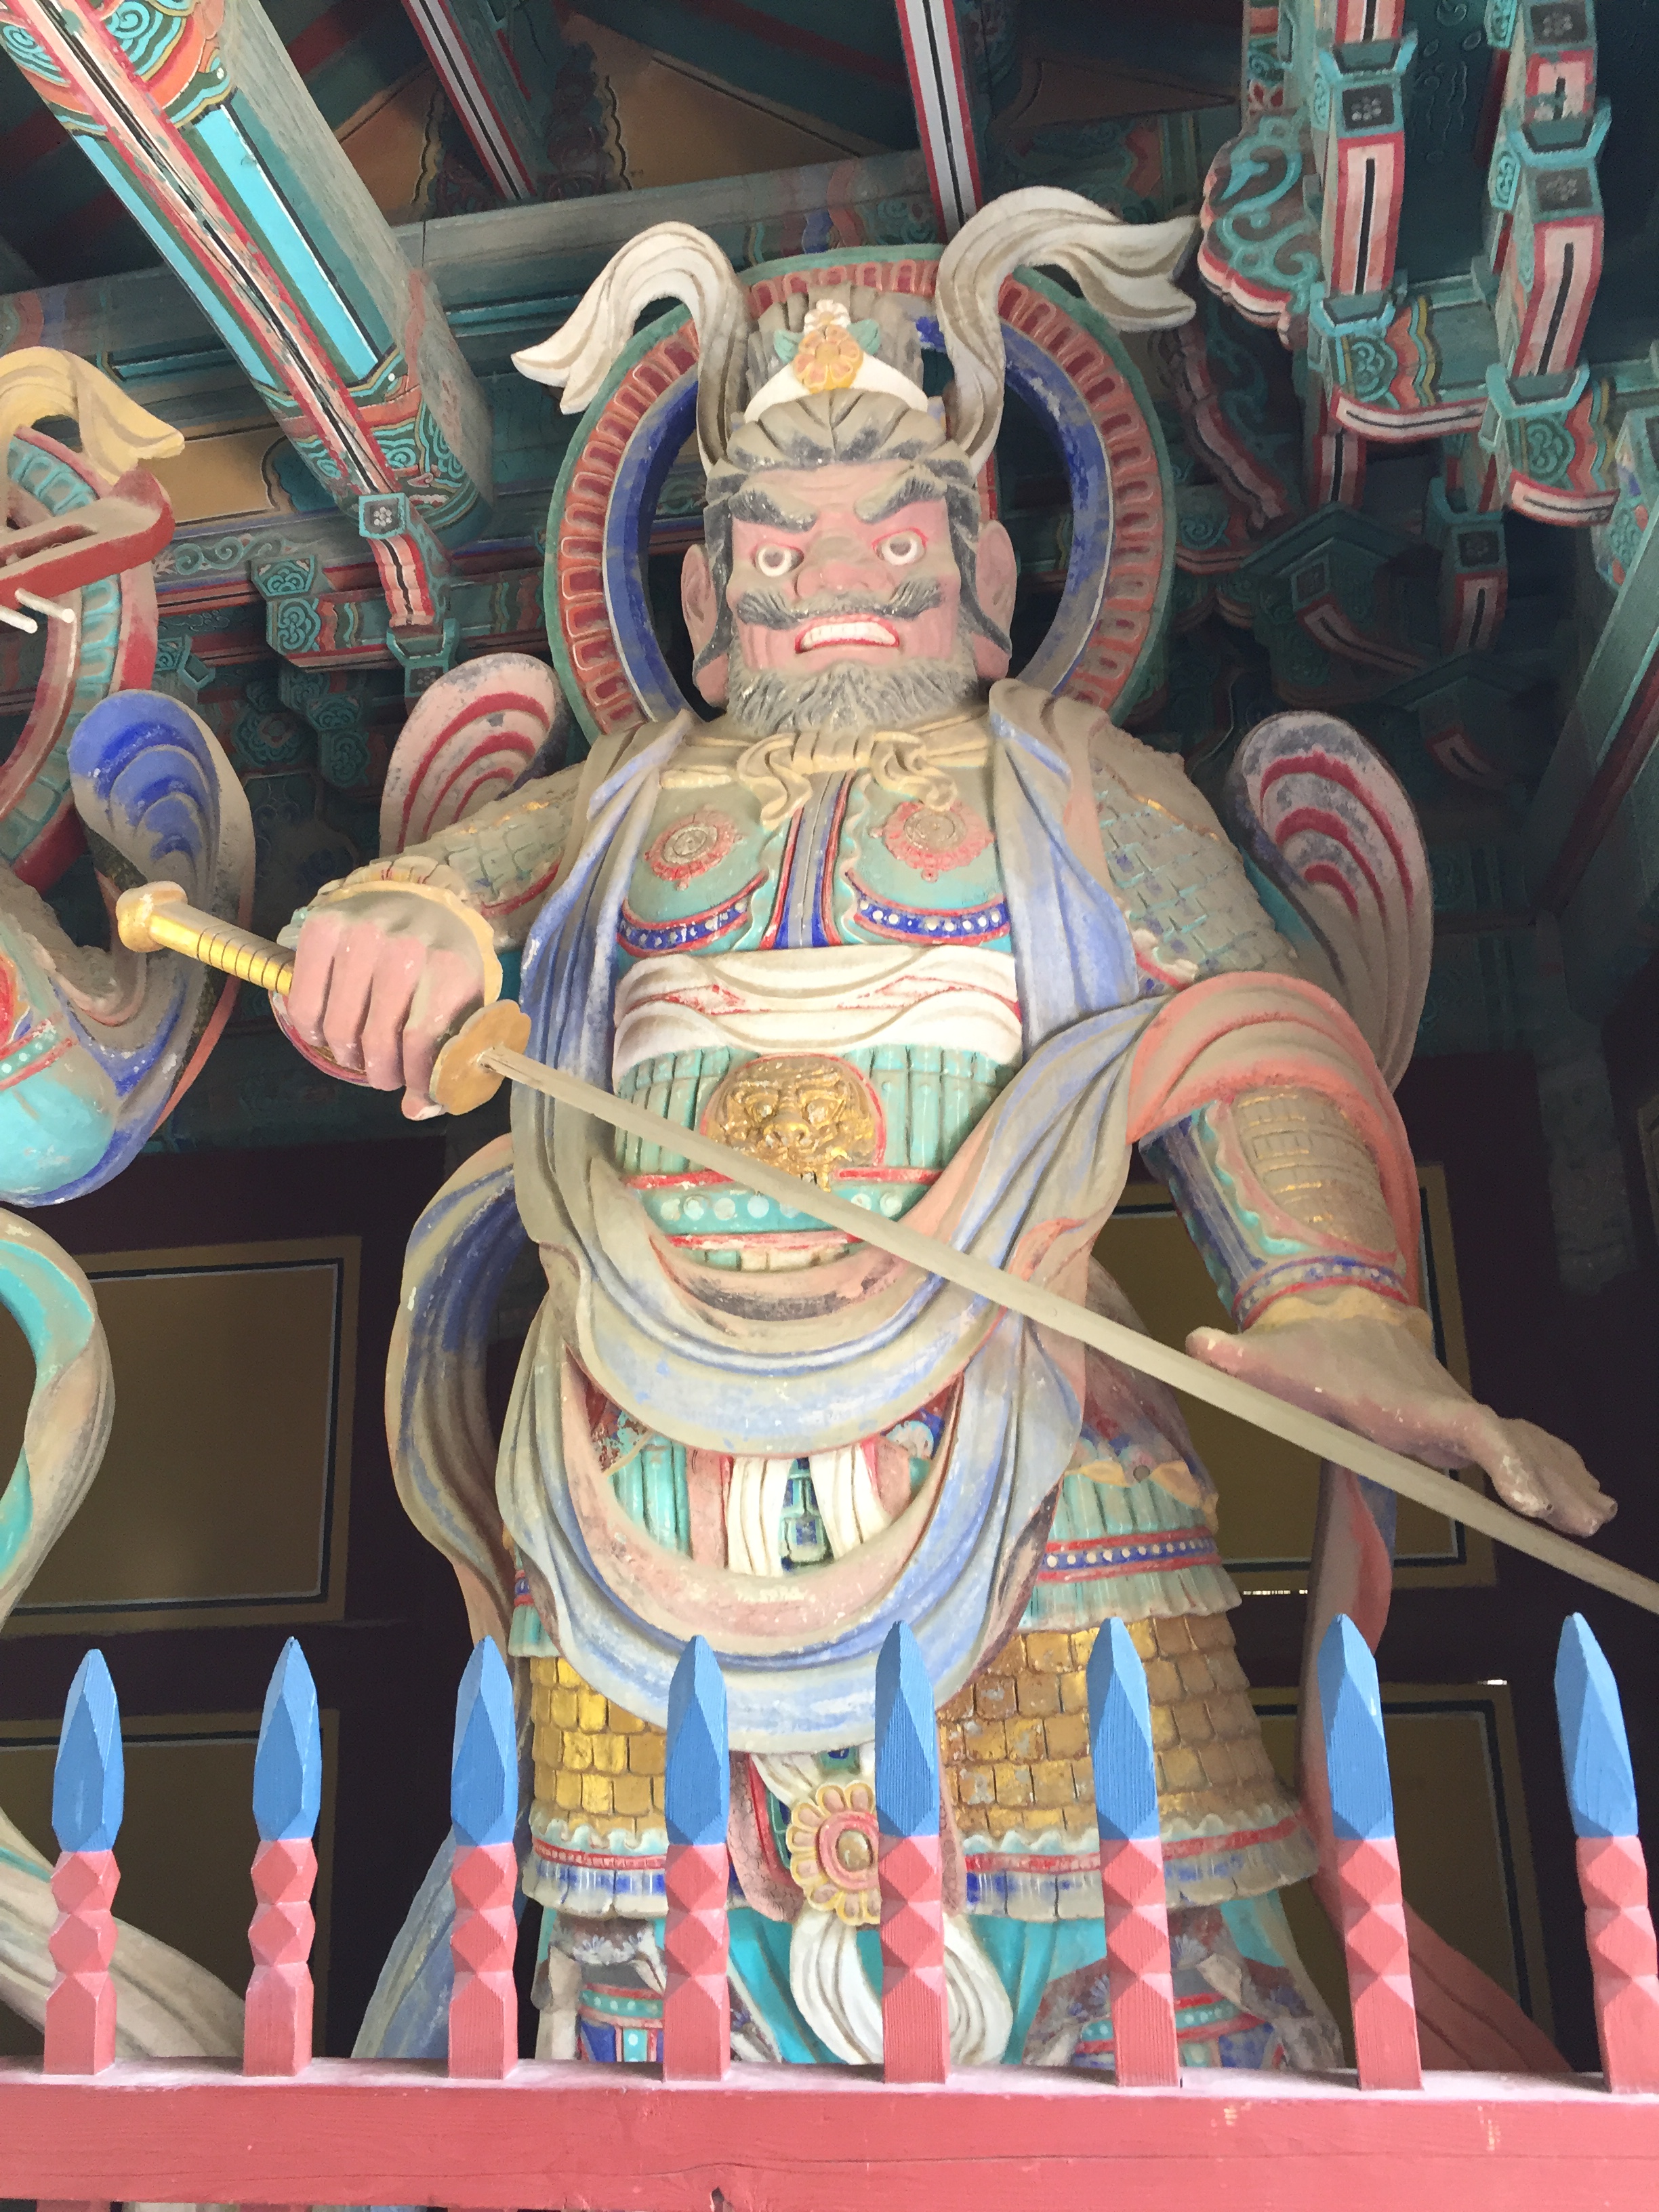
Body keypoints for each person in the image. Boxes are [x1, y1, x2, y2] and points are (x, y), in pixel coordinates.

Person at [280, 200, 1612, 2072]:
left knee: (1146, 1986)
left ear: (985, 579)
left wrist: (1331, 1299)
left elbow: (1246, 1033)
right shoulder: (621, 798)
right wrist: (399, 920)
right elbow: (424, 902)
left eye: (895, 540)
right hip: (631, 1462)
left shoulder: (1081, 781)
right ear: (704, 608)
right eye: (778, 545)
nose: (837, 574)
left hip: (1018, 1442)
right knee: (631, 2001)